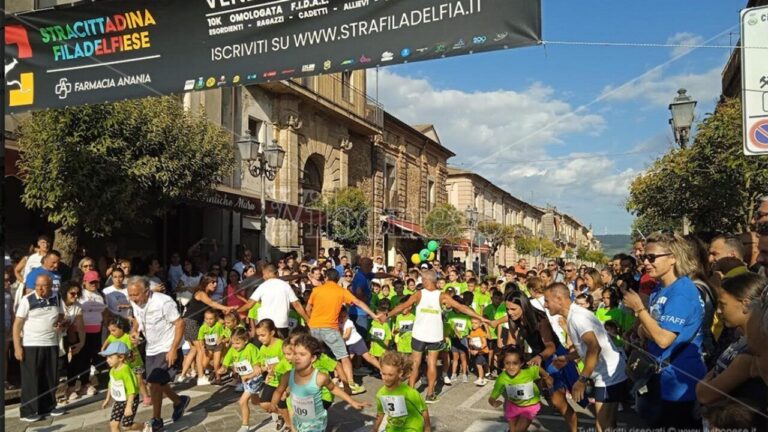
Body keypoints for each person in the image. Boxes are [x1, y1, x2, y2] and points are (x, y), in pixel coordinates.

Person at [621, 231, 707, 429]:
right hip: (659, 378)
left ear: (673, 259)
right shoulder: (660, 288)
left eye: (652, 257)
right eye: (643, 257)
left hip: (679, 383)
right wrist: (644, 327)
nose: (646, 262)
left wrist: (639, 309)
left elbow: (663, 339)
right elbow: (647, 330)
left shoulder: (682, 292)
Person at [383, 270, 488, 403]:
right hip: (434, 335)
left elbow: (402, 306)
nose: (421, 281)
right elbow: (461, 307)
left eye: (422, 279)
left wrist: (386, 316)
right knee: (432, 363)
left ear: (427, 280)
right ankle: (430, 394)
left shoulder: (419, 294)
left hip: (419, 335)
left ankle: (410, 392)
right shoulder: (442, 296)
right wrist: (480, 317)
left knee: (415, 363)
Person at [489, 290, 580, 431]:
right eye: (507, 309)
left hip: (553, 356)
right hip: (536, 358)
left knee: (558, 401)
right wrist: (506, 355)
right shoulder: (513, 318)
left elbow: (551, 346)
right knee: (521, 394)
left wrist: (539, 357)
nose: (510, 312)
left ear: (523, 306)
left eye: (513, 309)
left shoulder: (540, 318)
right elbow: (512, 339)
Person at [544, 283, 628, 432]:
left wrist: (582, 379)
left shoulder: (577, 317)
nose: (545, 305)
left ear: (559, 299)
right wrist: (568, 358)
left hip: (609, 376)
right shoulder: (573, 315)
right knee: (609, 424)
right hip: (609, 372)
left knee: (602, 426)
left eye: (547, 301)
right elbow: (588, 347)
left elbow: (594, 347)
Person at [126, 276, 190, 432]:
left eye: (136, 295)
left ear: (147, 292)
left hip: (167, 345)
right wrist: (134, 331)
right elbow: (137, 320)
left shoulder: (164, 301)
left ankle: (157, 420)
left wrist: (173, 348)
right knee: (156, 382)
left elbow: (180, 323)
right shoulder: (135, 303)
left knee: (154, 383)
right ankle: (178, 401)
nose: (133, 298)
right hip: (151, 347)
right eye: (130, 295)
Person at [696, 272, 767, 412]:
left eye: (723, 305)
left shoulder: (752, 353)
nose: (718, 311)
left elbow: (705, 395)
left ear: (746, 305)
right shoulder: (737, 338)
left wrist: (703, 384)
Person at [268, 334, 369, 432]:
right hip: (298, 418)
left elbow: (333, 389)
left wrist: (352, 402)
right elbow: (278, 391)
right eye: (295, 353)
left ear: (313, 358)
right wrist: (273, 404)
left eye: (302, 354)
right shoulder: (288, 375)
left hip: (315, 423)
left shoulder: (320, 377)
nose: (297, 357)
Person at [306, 268, 381, 394]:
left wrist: (310, 322)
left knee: (315, 356)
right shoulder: (341, 291)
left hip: (313, 328)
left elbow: (308, 308)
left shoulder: (316, 290)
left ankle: (311, 382)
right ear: (338, 279)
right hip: (330, 328)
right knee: (344, 357)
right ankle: (350, 384)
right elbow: (358, 302)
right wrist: (373, 315)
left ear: (326, 278)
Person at [13, 273, 66, 422]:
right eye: (38, 286)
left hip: (51, 342)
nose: (40, 289)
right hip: (31, 344)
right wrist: (17, 347)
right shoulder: (27, 299)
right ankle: (28, 411)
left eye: (44, 286)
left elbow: (61, 315)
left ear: (50, 286)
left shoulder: (57, 297)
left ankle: (48, 406)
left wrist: (60, 323)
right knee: (31, 378)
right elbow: (17, 324)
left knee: (49, 376)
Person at [179, 273, 234, 385]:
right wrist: (226, 307)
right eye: (212, 282)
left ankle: (182, 375)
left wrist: (225, 321)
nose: (215, 284)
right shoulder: (201, 293)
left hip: (188, 322)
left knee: (193, 350)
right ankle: (200, 376)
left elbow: (213, 313)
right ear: (206, 282)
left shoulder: (205, 295)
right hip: (192, 323)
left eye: (216, 282)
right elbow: (212, 304)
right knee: (200, 350)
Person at [488, 346, 552, 432]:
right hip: (513, 406)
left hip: (529, 407)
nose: (511, 367)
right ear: (503, 363)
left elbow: (538, 369)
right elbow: (494, 394)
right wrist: (493, 402)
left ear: (521, 363)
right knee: (513, 430)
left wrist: (546, 377)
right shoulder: (502, 377)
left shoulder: (529, 371)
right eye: (507, 363)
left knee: (519, 430)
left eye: (515, 363)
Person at [239, 264, 310, 338]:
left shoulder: (263, 286)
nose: (263, 277)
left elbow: (249, 305)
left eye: (264, 274)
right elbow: (296, 304)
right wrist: (307, 320)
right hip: (281, 324)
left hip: (265, 325)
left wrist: (235, 311)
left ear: (269, 273)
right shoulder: (286, 286)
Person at [219, 328, 265, 432]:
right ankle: (273, 409)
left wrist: (257, 366)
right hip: (244, 379)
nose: (235, 345)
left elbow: (257, 359)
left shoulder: (251, 348)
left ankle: (245, 425)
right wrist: (224, 367)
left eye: (238, 343)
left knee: (242, 401)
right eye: (233, 343)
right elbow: (227, 359)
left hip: (254, 378)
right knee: (255, 401)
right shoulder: (232, 349)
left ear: (246, 340)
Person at [69, 270, 107, 398]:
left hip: (96, 331)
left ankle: (85, 384)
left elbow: (104, 312)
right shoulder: (79, 294)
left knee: (88, 359)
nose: (94, 284)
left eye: (96, 282)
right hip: (80, 331)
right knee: (77, 359)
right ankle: (71, 386)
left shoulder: (100, 295)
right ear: (84, 282)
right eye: (91, 282)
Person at [373, 351, 431, 432]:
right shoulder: (380, 394)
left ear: (400, 373)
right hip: (393, 429)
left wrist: (427, 428)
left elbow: (424, 410)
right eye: (383, 374)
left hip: (412, 429)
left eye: (390, 375)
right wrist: (374, 429)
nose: (386, 378)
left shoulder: (409, 392)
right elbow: (380, 413)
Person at [100, 341, 144, 432]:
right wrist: (107, 399)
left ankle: (144, 426)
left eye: (110, 357)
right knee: (113, 424)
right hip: (120, 400)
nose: (107, 360)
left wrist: (129, 406)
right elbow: (111, 384)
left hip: (130, 399)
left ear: (121, 357)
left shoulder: (125, 370)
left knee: (126, 426)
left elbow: (131, 390)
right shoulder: (112, 370)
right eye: (107, 357)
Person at [468, 317, 490, 386]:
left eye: (476, 323)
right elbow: (471, 342)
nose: (473, 325)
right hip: (476, 351)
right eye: (472, 323)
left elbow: (484, 343)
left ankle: (481, 379)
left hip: (482, 352)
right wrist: (470, 348)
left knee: (479, 365)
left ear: (480, 324)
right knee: (482, 364)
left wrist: (478, 350)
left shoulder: (480, 331)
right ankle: (485, 375)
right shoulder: (472, 331)